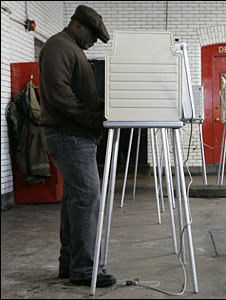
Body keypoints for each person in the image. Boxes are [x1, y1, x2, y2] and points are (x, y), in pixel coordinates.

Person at [38, 5, 116, 288]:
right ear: (79, 25)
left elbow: (76, 94)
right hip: (69, 135)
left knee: (76, 198)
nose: (93, 41)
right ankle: (83, 269)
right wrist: (92, 117)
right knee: (87, 197)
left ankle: (69, 263)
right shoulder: (59, 47)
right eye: (92, 35)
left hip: (72, 135)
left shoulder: (71, 49)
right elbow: (60, 93)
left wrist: (105, 108)